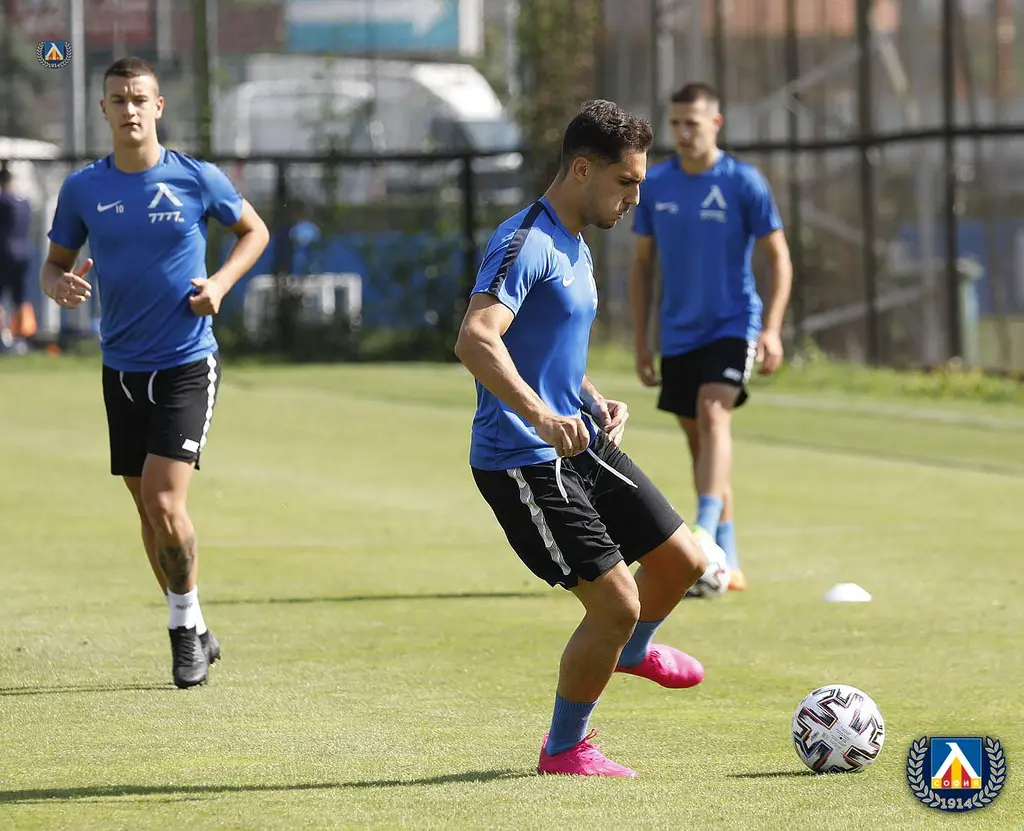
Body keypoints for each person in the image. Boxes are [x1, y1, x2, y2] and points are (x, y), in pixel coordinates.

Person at [455, 100, 708, 778]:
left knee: (683, 561)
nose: (635, 198)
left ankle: (631, 649)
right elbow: (476, 338)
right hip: (523, 459)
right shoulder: (526, 241)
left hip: (579, 441)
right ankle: (564, 748)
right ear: (582, 169)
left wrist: (590, 396)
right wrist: (542, 415)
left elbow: (546, 346)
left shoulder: (576, 243)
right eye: (626, 182)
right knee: (617, 602)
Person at [41, 57, 270, 688]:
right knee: (148, 510)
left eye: (140, 98)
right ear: (104, 110)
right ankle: (194, 622)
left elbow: (253, 232)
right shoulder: (83, 189)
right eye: (118, 99)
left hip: (185, 363)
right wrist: (58, 285)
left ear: (158, 106)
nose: (130, 109)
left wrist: (220, 284)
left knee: (166, 501)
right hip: (120, 368)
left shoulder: (195, 177)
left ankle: (181, 631)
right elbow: (54, 264)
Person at [629, 82, 793, 592]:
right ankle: (730, 558)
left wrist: (771, 329)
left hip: (733, 324)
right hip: (678, 333)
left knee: (714, 412)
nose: (682, 132)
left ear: (715, 124)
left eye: (692, 123)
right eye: (675, 123)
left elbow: (779, 258)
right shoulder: (656, 185)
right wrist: (642, 340)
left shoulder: (743, 182)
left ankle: (701, 532)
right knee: (700, 442)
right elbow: (641, 267)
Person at [0, 165, 35, 347]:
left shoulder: (3, 202)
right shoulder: (24, 202)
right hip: (23, 253)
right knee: (20, 297)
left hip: (4, 253)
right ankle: (21, 338)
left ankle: (3, 337)